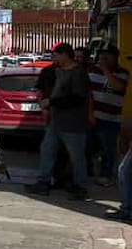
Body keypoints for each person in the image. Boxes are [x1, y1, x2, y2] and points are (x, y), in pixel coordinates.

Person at [26, 42, 92, 199]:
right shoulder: (59, 71)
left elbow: (77, 98)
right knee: (47, 151)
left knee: (76, 156)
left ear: (65, 55)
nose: (54, 58)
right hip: (56, 121)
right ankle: (44, 182)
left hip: (73, 123)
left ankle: (79, 186)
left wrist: (52, 102)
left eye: (56, 55)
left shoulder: (78, 73)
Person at [89, 46, 128, 184]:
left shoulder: (122, 73)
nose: (105, 59)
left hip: (111, 117)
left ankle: (106, 175)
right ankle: (91, 171)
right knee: (90, 145)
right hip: (93, 115)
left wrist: (105, 70)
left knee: (108, 148)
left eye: (108, 56)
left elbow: (117, 86)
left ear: (116, 58)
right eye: (103, 56)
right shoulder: (92, 71)